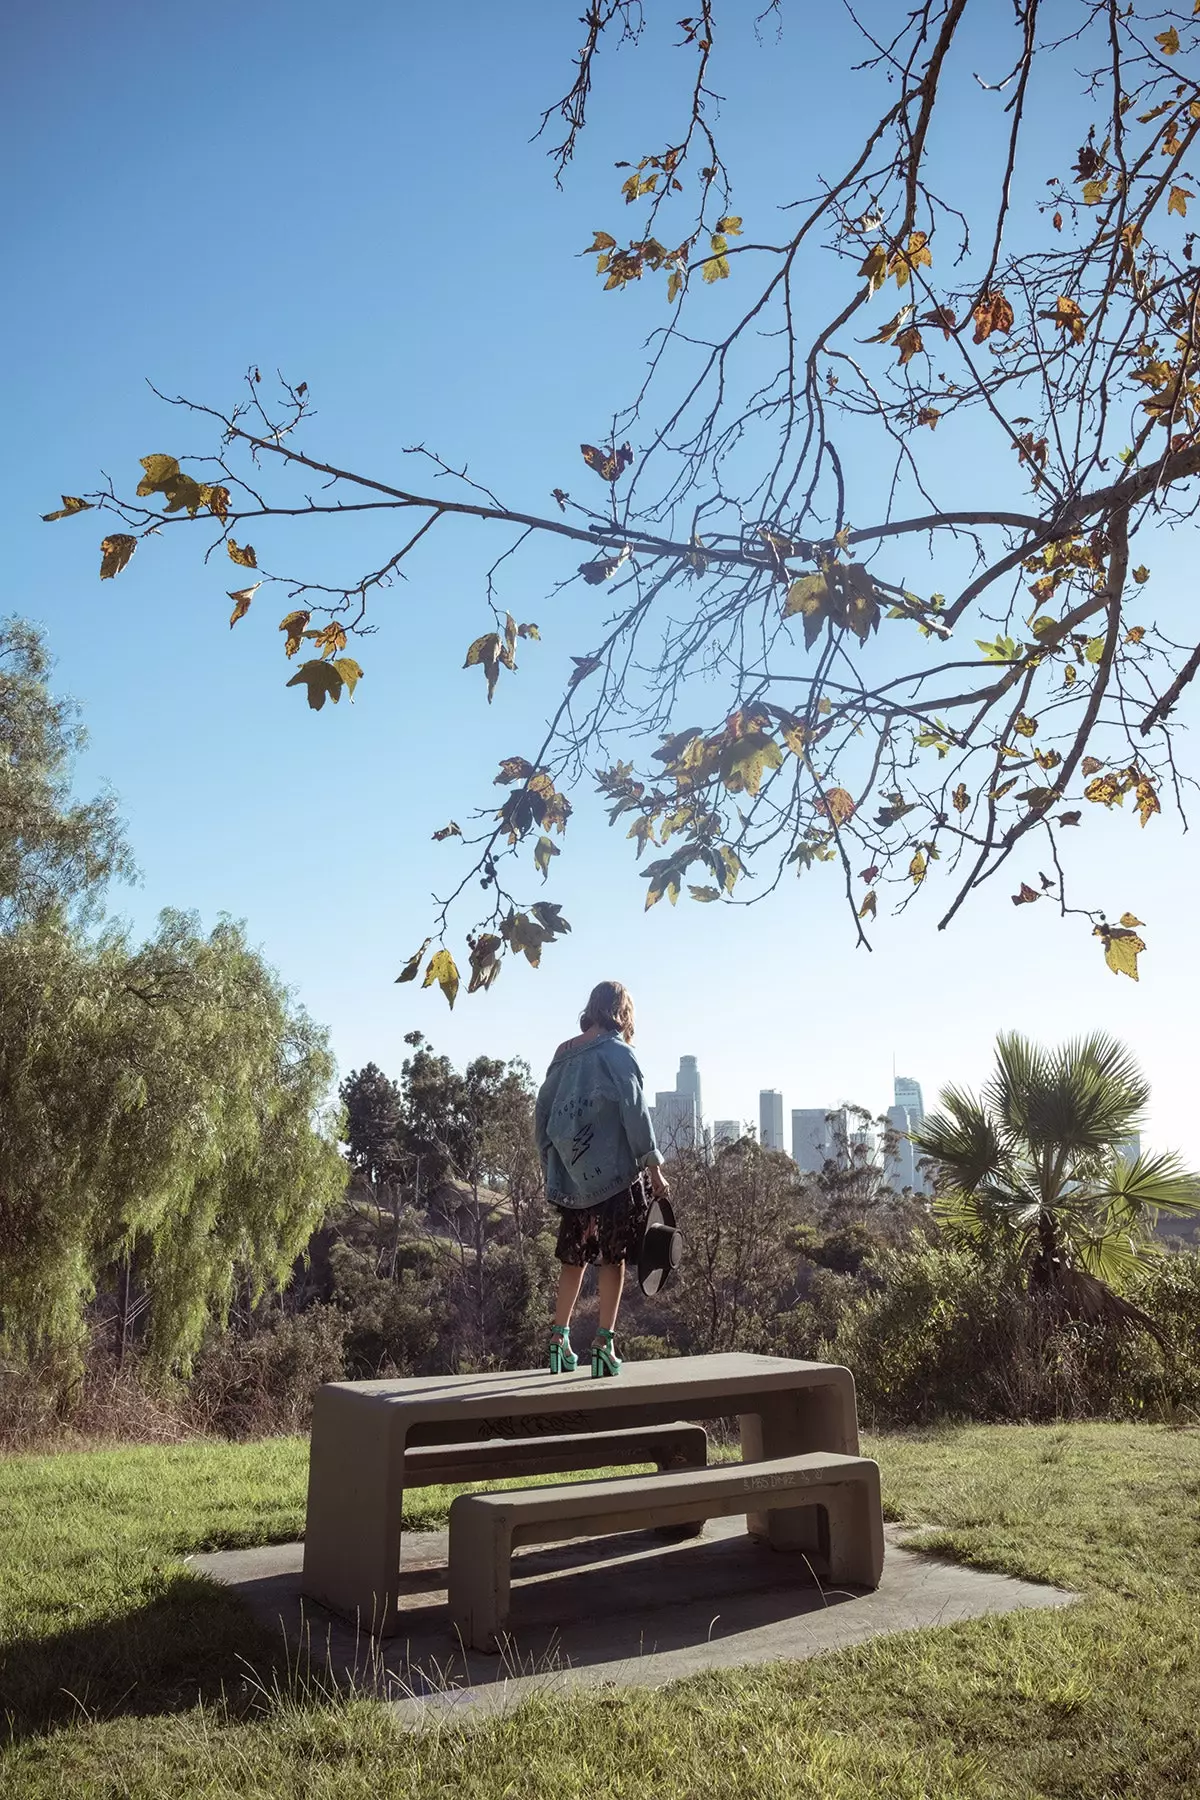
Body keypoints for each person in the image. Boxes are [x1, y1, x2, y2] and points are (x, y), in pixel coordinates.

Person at [535, 979, 669, 1377]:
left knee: (573, 1257)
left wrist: (552, 1163)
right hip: (614, 1175)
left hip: (574, 1178)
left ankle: (559, 1341)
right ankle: (603, 1346)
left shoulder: (563, 1054)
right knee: (614, 1258)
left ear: (591, 1008)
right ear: (622, 1011)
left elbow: (541, 1116)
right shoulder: (618, 1053)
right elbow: (635, 1111)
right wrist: (653, 1165)